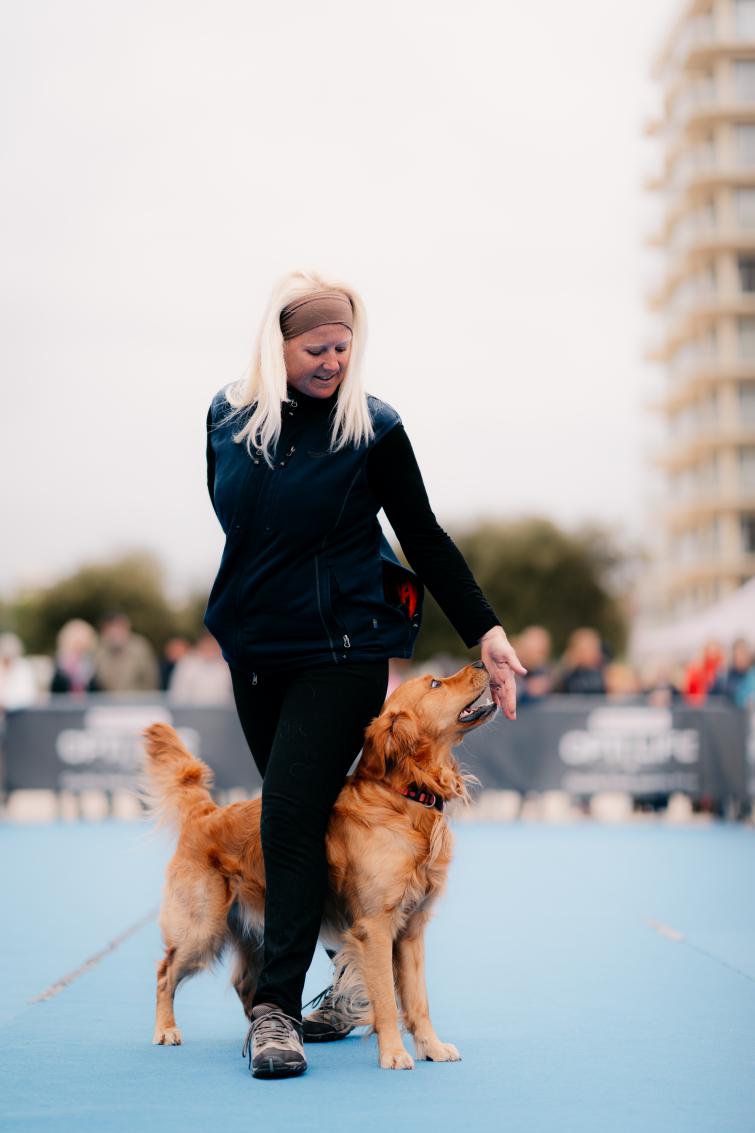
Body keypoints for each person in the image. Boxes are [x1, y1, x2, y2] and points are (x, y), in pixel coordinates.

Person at [204, 270, 526, 1079]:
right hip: (256, 653)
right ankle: (354, 963)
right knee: (305, 823)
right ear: (275, 345)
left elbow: (423, 534)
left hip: (342, 649)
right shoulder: (225, 418)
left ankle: (274, 1012)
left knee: (286, 816)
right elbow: (240, 524)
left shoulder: (372, 428)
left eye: (343, 347)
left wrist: (486, 632)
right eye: (315, 347)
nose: (331, 361)